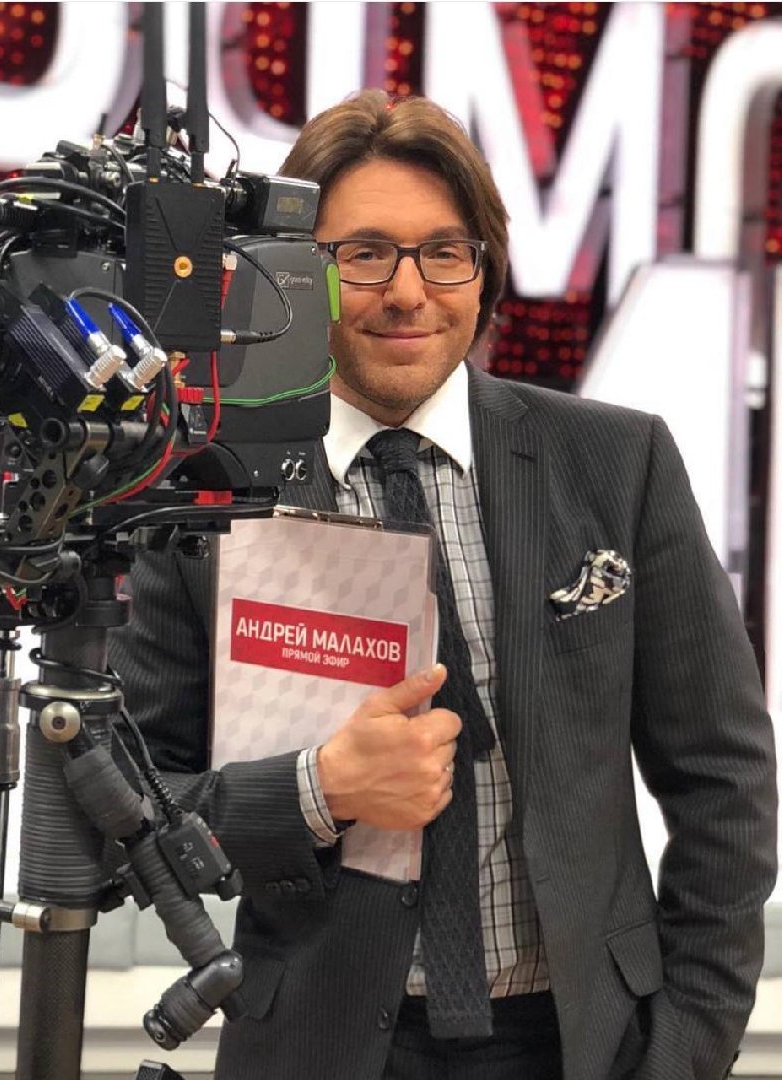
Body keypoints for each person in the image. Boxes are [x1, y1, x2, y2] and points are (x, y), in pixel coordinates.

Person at [108, 90, 778, 1080]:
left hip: (585, 1046)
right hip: (320, 1049)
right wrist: (315, 792)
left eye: (443, 252)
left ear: (484, 269)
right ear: (293, 274)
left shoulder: (616, 461)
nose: (409, 291)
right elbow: (128, 805)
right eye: (364, 254)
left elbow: (724, 779)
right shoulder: (206, 491)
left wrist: (688, 1045)